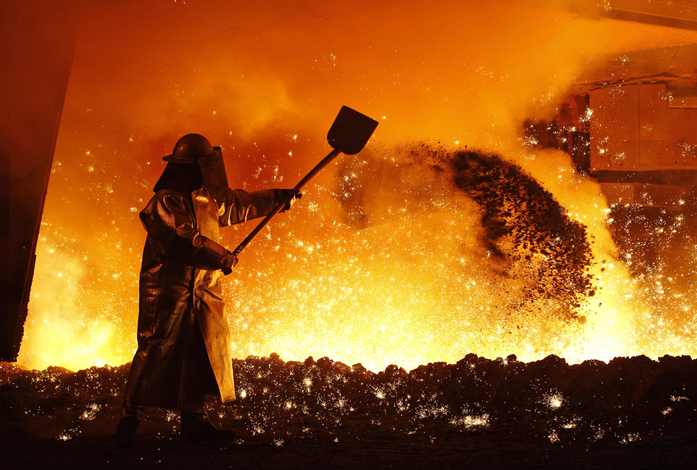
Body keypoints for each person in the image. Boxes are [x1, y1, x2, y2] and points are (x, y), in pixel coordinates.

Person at [115, 133, 300, 445]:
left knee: (198, 350)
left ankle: (193, 419)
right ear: (194, 167)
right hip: (168, 290)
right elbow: (184, 240)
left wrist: (277, 198)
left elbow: (237, 205)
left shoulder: (205, 200)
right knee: (156, 349)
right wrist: (221, 256)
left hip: (202, 289)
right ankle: (129, 420)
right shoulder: (165, 202)